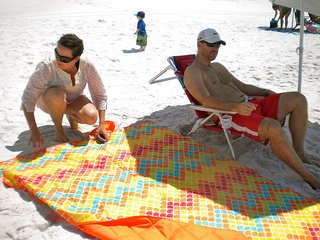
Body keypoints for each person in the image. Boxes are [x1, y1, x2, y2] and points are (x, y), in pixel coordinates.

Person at [184, 28, 320, 190]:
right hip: (231, 115)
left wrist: (265, 92)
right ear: (199, 44)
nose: (216, 48)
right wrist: (237, 107)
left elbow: (242, 86)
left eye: (218, 45)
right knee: (273, 128)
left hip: (249, 104)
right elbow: (207, 101)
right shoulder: (192, 72)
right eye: (211, 44)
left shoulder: (218, 67)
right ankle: (308, 177)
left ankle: (299, 152)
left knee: (298, 99)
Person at [21, 33, 109, 148]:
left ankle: (70, 116)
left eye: (64, 58)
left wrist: (101, 124)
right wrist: (34, 129)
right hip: (49, 100)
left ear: (77, 58)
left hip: (73, 99)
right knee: (57, 94)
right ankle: (59, 130)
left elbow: (99, 93)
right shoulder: (47, 66)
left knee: (91, 117)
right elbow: (28, 98)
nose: (58, 60)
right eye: (57, 54)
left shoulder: (86, 65)